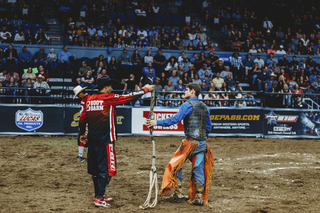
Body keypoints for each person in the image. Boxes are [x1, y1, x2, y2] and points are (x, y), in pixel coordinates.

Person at [79, 76, 154, 208]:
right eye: (111, 86)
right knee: (107, 170)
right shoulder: (108, 98)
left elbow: (82, 119)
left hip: (92, 141)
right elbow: (129, 97)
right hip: (106, 140)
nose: (113, 89)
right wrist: (146, 89)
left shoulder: (89, 99)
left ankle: (98, 195)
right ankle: (99, 197)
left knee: (95, 170)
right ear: (106, 87)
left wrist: (82, 134)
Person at [146, 83, 213, 206]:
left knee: (175, 165)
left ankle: (178, 192)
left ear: (193, 91)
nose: (184, 92)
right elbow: (209, 126)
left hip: (189, 143)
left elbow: (175, 119)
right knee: (198, 168)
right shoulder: (205, 107)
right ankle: (198, 196)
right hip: (202, 143)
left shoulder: (187, 105)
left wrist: (156, 122)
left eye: (186, 90)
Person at [73, 85, 90, 162]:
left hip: (86, 121)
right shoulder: (88, 98)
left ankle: (81, 156)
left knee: (83, 137)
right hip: (87, 121)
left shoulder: (86, 99)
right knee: (86, 138)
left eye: (78, 95)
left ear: (81, 93)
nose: (78, 97)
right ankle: (85, 156)